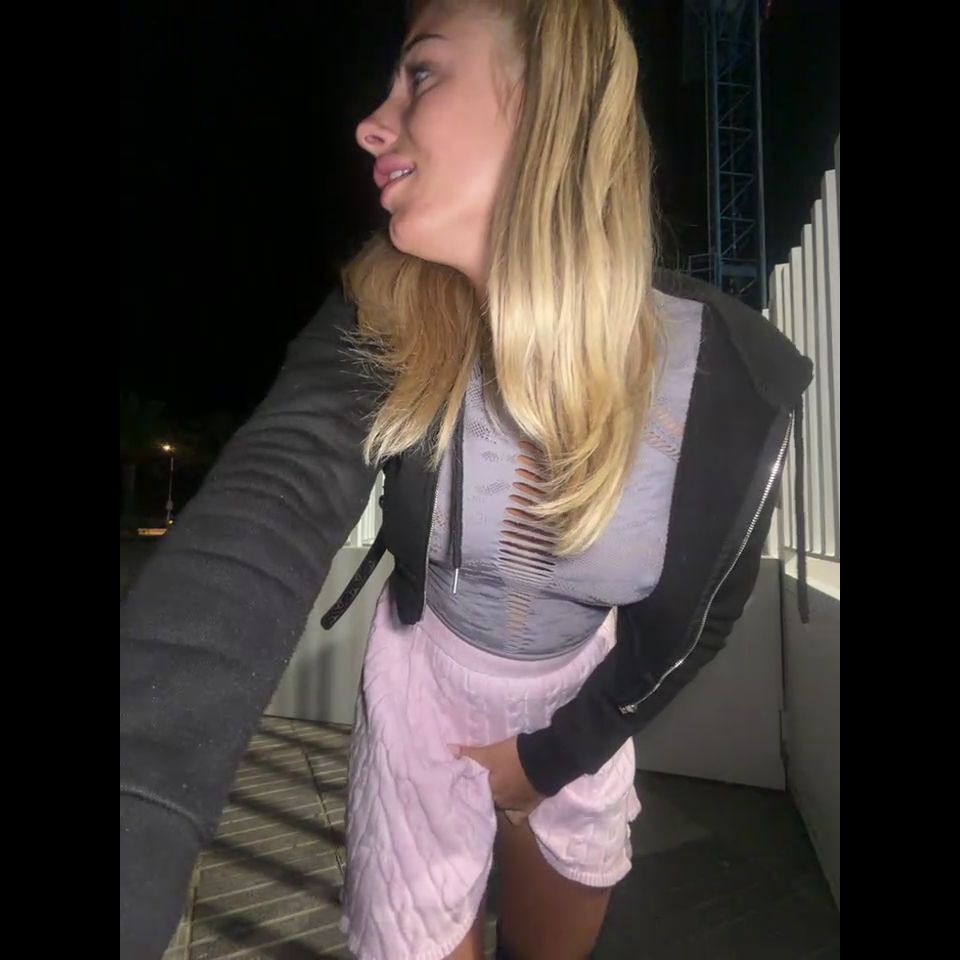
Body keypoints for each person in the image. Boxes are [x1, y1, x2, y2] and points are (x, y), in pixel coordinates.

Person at [120, 1, 813, 958]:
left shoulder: (735, 379)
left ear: (548, 98)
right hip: (422, 696)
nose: (373, 123)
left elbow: (692, 627)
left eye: (422, 75)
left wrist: (551, 757)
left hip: (579, 706)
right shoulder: (381, 313)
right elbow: (267, 506)